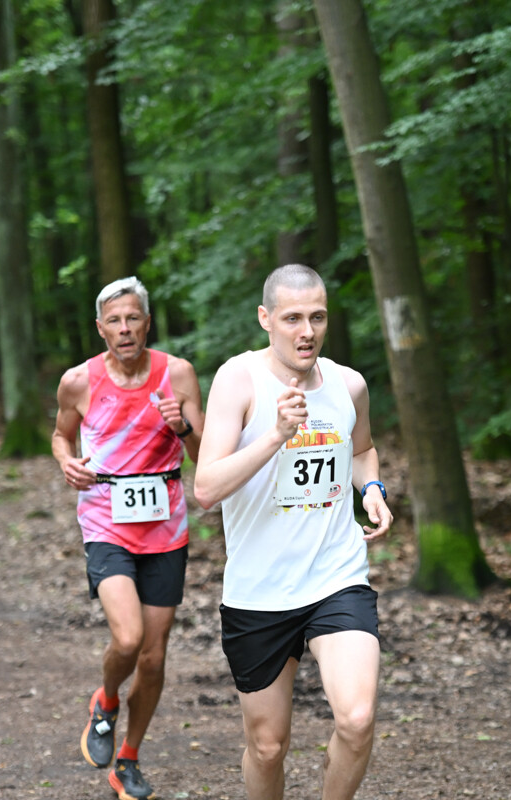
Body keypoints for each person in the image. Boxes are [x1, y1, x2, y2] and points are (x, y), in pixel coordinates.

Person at [193, 264, 393, 800]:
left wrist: (371, 490)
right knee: (268, 746)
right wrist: (276, 436)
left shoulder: (349, 385)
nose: (307, 331)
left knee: (356, 718)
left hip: (336, 577)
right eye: (293, 318)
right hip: (260, 589)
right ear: (266, 319)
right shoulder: (238, 379)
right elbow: (207, 488)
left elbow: (363, 449)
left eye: (318, 317)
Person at [51, 276, 205, 800]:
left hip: (166, 526)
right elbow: (60, 433)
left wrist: (182, 426)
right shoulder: (79, 380)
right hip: (106, 520)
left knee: (155, 658)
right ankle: (107, 701)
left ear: (146, 322)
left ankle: (129, 759)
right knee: (129, 638)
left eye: (132, 318)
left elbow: (205, 459)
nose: (124, 328)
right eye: (114, 321)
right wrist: (66, 462)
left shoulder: (177, 374)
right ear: (100, 328)